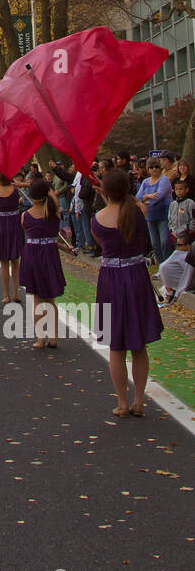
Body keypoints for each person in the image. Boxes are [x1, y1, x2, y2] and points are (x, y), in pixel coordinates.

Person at [91, 168, 163, 417]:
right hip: (137, 277)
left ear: (106, 191)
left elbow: (102, 245)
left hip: (111, 280)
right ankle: (139, 400)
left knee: (115, 345)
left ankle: (122, 402)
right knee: (139, 344)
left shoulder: (98, 218)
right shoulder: (138, 212)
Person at [19, 177, 66, 349]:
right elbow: (52, 198)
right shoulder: (54, 213)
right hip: (50, 255)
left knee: (37, 299)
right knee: (50, 299)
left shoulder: (26, 215)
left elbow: (26, 230)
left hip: (33, 255)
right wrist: (49, 190)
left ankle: (40, 338)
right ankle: (53, 337)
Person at [0, 173, 23, 302]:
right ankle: (15, 293)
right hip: (14, 224)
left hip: (1, 226)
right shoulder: (15, 190)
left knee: (4, 262)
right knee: (15, 261)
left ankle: (6, 295)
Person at [136, 158, 173, 262]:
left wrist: (146, 200)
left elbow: (158, 196)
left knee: (165, 242)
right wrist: (147, 196)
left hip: (163, 215)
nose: (154, 169)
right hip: (150, 216)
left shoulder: (164, 180)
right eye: (151, 167)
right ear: (148, 169)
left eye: (156, 166)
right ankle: (161, 265)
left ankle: (168, 264)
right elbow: (138, 197)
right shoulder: (145, 181)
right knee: (155, 244)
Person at [157, 229, 195, 303]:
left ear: (188, 245)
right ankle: (169, 291)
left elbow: (188, 275)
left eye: (180, 245)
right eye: (176, 245)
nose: (177, 248)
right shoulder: (178, 253)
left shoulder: (188, 255)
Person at [169, 177, 195, 243]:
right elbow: (169, 218)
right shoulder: (172, 204)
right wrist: (171, 229)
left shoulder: (190, 203)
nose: (179, 191)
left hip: (186, 234)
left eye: (181, 189)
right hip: (175, 234)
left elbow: (193, 218)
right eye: (177, 189)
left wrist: (191, 229)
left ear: (187, 190)